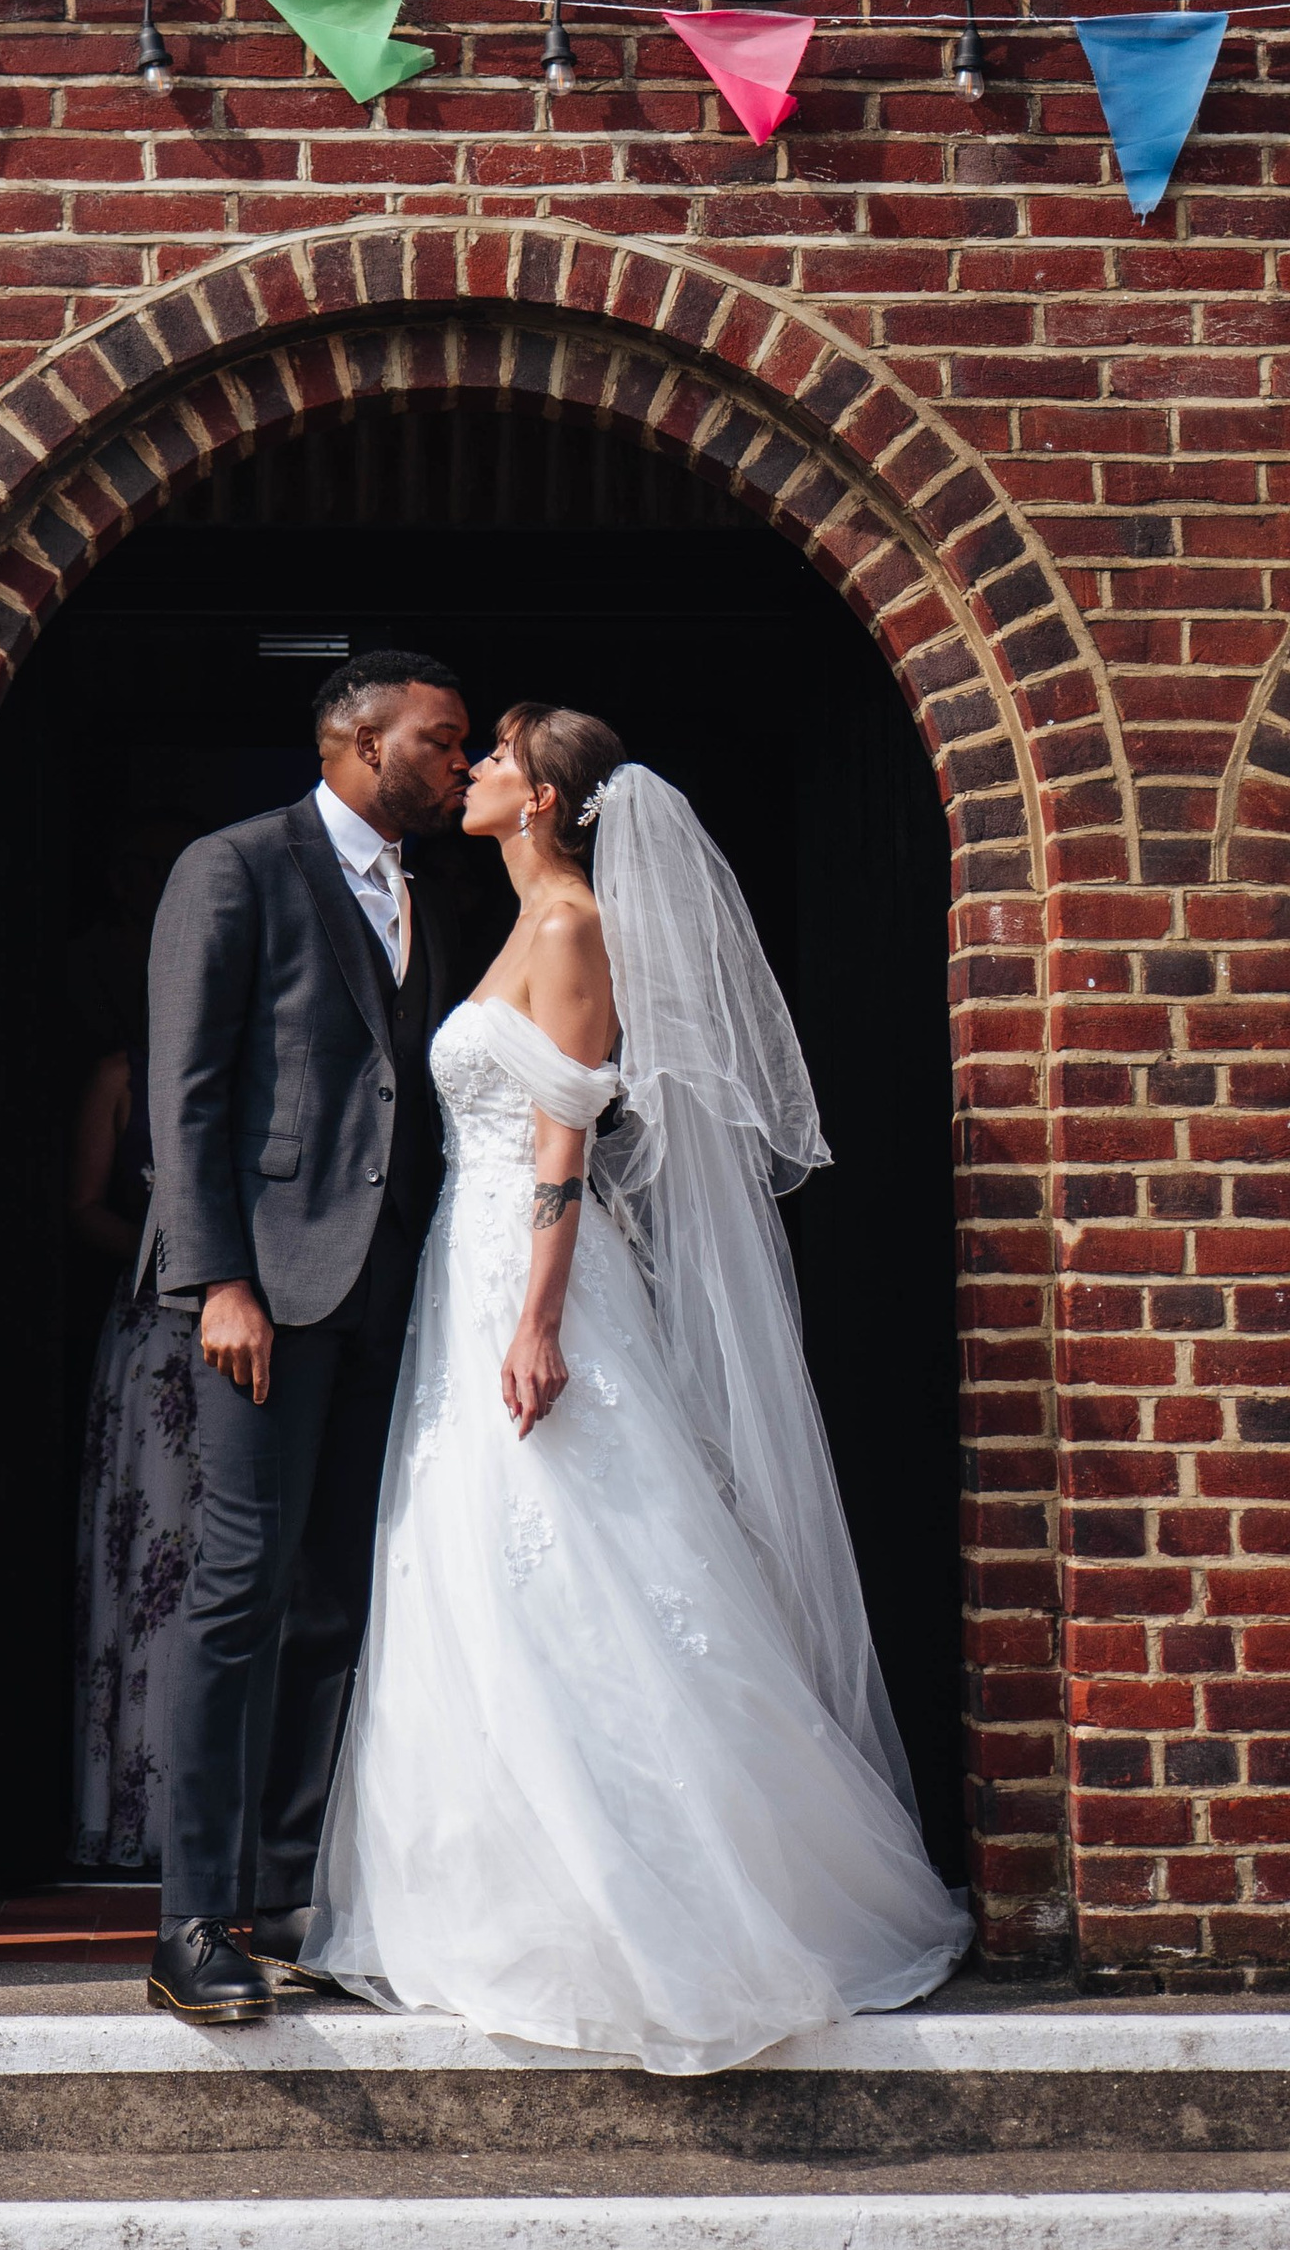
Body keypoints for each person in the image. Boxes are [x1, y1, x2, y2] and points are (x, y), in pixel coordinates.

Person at [305, 706, 970, 2073]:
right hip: (470, 1265)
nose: (473, 775)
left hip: (531, 1276)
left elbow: (564, 1137)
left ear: (546, 799)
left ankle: (666, 1902)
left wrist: (541, 1321)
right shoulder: (517, 922)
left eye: (494, 761)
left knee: (577, 1547)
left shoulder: (568, 928)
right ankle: (492, 1895)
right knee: (479, 1559)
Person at [139, 648, 473, 2025]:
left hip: (387, 1293)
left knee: (337, 1595)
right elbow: (190, 1093)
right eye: (440, 742)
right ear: (356, 738)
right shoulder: (237, 866)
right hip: (265, 1292)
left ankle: (284, 1897)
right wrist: (218, 1279)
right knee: (237, 1592)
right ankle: (190, 1922)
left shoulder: (420, 888)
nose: (457, 765)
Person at [67, 1037, 202, 1869]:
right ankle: (130, 1816)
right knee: (145, 1555)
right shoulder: (121, 1071)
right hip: (154, 1337)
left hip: (246, 1337)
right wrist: (167, 1257)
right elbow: (81, 1203)